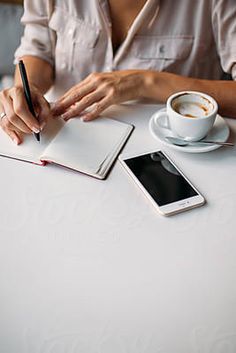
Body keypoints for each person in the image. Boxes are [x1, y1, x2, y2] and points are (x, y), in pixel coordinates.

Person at [0, 0, 236, 145]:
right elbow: (39, 48)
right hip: (65, 144)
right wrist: (26, 89)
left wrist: (145, 82)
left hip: (168, 162)